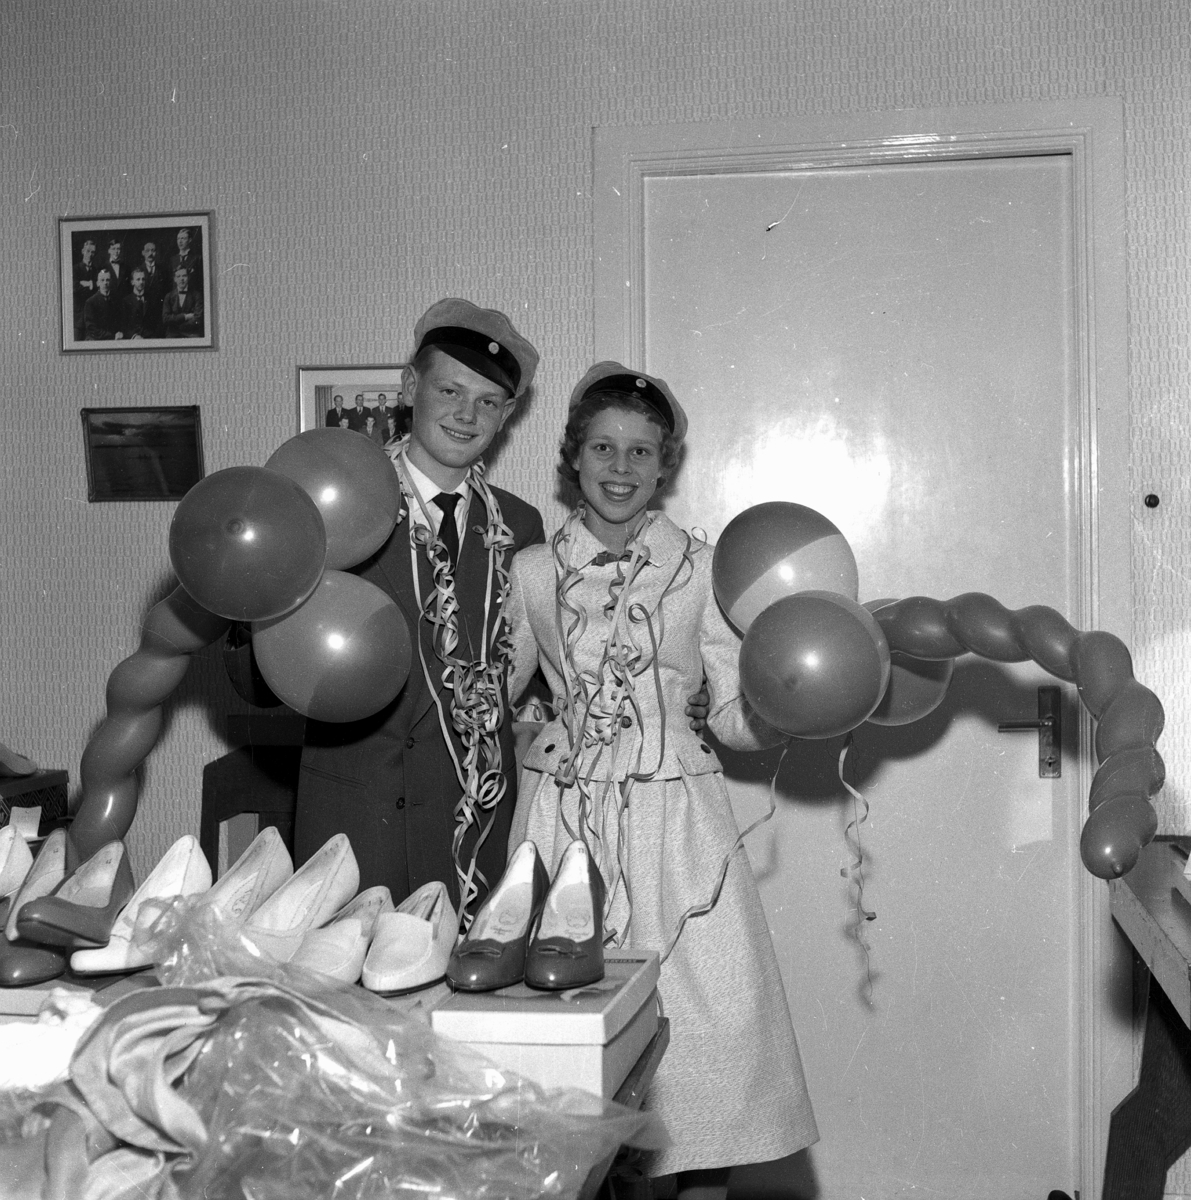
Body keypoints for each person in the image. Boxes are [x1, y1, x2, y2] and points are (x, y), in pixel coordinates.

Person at [505, 363, 818, 1194]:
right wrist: (526, 727)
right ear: (573, 457)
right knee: (565, 1047)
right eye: (602, 448)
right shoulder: (532, 572)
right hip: (562, 827)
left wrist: (789, 701)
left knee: (703, 1040)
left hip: (678, 827)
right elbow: (496, 694)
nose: (620, 467)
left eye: (640, 451)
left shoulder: (701, 569)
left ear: (664, 465)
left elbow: (732, 715)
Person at [294, 299, 546, 918]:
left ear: (507, 415)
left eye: (488, 401)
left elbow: (536, 665)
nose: (467, 414)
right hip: (358, 818)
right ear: (410, 388)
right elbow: (262, 676)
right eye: (449, 390)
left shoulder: (519, 525)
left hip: (472, 826)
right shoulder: (340, 501)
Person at [161, 266, 204, 337]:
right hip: (172, 334)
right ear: (175, 279)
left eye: (184, 276)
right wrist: (185, 317)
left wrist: (177, 324)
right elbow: (165, 319)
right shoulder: (168, 296)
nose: (182, 279)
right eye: (178, 276)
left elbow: (198, 318)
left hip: (191, 333)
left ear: (188, 277)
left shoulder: (196, 295)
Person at [82, 268, 123, 340]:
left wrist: (119, 333)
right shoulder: (90, 302)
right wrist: (112, 336)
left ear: (111, 282)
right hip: (96, 338)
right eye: (102, 280)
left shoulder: (116, 300)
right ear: (98, 283)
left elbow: (119, 322)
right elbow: (91, 328)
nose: (105, 283)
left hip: (114, 338)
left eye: (107, 280)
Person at [72, 237, 99, 339]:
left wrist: (86, 283)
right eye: (88, 251)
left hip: (92, 316)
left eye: (93, 252)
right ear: (82, 251)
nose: (90, 254)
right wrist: (92, 285)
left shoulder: (96, 270)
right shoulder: (75, 269)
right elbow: (75, 288)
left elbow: (98, 290)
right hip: (79, 317)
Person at [120, 267, 154, 339]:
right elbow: (123, 326)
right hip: (134, 340)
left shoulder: (151, 299)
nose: (141, 282)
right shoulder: (125, 301)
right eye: (138, 279)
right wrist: (134, 336)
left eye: (143, 279)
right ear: (132, 282)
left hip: (150, 339)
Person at [168, 227, 202, 292]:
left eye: (183, 238)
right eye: (178, 238)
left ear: (190, 240)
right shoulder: (173, 260)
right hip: (176, 296)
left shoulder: (197, 258)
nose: (180, 241)